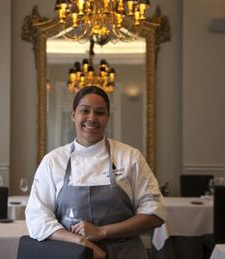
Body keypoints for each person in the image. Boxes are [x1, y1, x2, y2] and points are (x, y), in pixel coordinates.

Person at [25, 86, 166, 259]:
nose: (92, 118)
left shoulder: (130, 156)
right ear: (73, 115)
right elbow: (37, 218)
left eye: (100, 112)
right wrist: (82, 244)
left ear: (107, 118)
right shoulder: (53, 161)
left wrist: (102, 232)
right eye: (85, 110)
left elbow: (155, 213)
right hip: (73, 253)